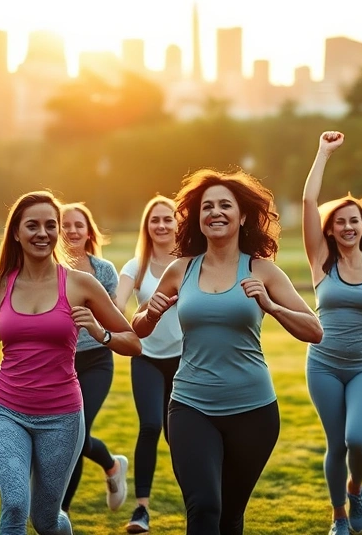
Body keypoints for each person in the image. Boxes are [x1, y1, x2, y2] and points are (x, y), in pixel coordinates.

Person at [132, 169, 323, 535]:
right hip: (190, 406)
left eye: (224, 205)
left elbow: (314, 330)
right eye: (207, 207)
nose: (215, 212)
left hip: (254, 411)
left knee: (230, 517)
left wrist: (271, 305)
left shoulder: (261, 269)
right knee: (204, 508)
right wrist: (149, 312)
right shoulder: (181, 269)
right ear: (197, 218)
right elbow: (138, 332)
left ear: (243, 215)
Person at [0, 191, 141, 535]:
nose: (42, 233)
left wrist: (101, 334)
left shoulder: (80, 283)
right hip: (7, 411)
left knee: (46, 519)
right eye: (32, 225)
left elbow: (133, 342)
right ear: (16, 232)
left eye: (49, 225)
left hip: (62, 417)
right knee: (14, 505)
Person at [301, 131, 362, 535]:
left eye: (353, 221)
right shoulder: (321, 261)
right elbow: (309, 201)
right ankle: (339, 516)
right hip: (323, 365)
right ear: (331, 228)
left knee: (357, 439)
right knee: (336, 444)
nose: (346, 226)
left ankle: (355, 488)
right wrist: (323, 153)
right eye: (339, 221)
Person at [114, 195, 184, 534]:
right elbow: (117, 304)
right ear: (147, 226)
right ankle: (141, 509)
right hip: (146, 357)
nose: (161, 225)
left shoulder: (189, 263)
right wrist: (121, 321)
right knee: (150, 427)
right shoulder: (135, 266)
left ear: (177, 223)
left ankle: (200, 500)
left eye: (167, 219)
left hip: (186, 359)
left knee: (180, 435)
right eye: (154, 220)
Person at [58, 202, 131, 515]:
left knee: (75, 435)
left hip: (97, 359)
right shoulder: (50, 269)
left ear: (88, 231)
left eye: (79, 224)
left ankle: (61, 514)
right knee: (64, 436)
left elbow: (119, 320)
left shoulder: (103, 271)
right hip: (59, 362)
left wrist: (96, 325)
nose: (72, 230)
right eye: (66, 224)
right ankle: (112, 465)